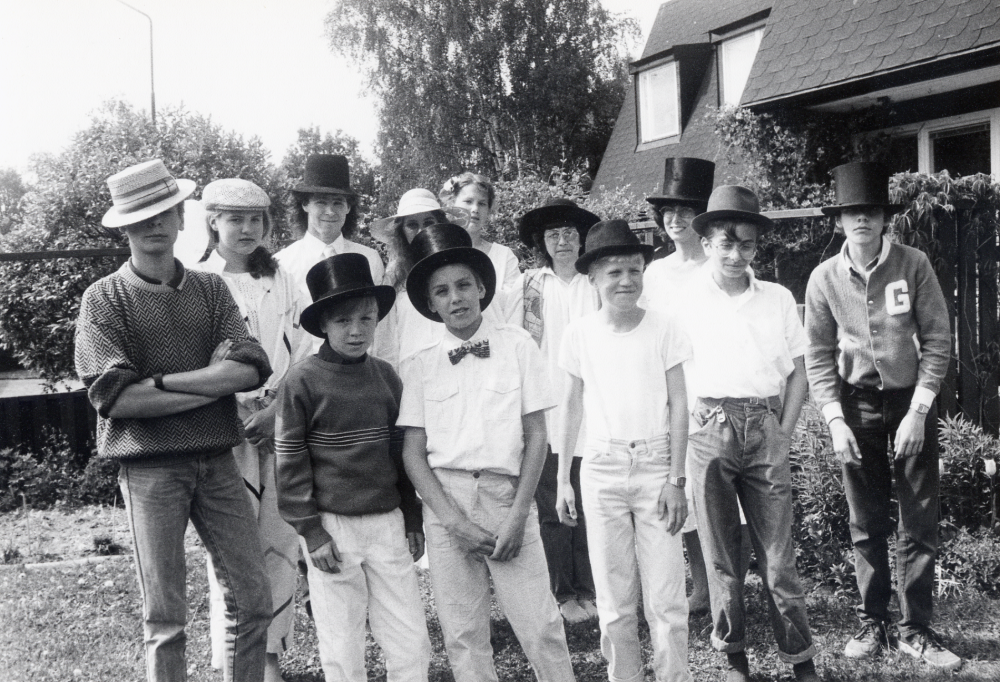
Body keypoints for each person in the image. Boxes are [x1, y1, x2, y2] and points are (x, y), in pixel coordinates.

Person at [74, 159, 274, 682]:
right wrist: (207, 379)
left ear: (181, 218)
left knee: (254, 601)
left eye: (163, 211)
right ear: (124, 226)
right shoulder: (103, 299)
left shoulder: (210, 290)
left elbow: (251, 366)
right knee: (165, 618)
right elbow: (116, 399)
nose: (154, 224)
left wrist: (158, 382)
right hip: (151, 471)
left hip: (218, 462)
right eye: (140, 216)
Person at [397, 223, 575, 682]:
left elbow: (537, 436)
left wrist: (518, 516)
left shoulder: (517, 346)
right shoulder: (419, 365)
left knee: (540, 625)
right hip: (446, 504)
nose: (455, 298)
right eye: (441, 291)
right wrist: (453, 521)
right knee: (463, 633)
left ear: (481, 287)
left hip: (507, 499)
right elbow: (413, 453)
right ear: (431, 303)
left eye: (462, 285)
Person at [805, 162, 959, 670]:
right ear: (840, 221)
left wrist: (919, 410)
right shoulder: (824, 278)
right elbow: (818, 355)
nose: (862, 221)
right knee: (865, 520)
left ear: (883, 217)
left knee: (917, 519)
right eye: (852, 212)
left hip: (908, 403)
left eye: (870, 211)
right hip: (855, 406)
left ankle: (916, 629)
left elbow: (937, 340)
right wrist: (833, 419)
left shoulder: (913, 264)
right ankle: (874, 621)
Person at [679, 186, 820, 682]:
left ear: (757, 248)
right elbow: (669, 367)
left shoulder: (777, 298)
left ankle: (800, 659)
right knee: (722, 561)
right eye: (726, 243)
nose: (737, 254)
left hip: (764, 428)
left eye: (747, 244)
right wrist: (690, 420)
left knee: (779, 560)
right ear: (708, 243)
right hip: (709, 429)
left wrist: (783, 431)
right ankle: (734, 654)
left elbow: (800, 370)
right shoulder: (686, 298)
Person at [275, 253, 430, 682]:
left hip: (387, 522)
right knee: (342, 641)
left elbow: (401, 455)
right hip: (333, 526)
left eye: (366, 318)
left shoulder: (385, 376)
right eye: (343, 321)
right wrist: (312, 531)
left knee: (410, 637)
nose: (357, 330)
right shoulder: (302, 381)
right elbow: (290, 462)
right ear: (323, 323)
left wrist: (411, 514)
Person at [556, 220, 693, 682]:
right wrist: (562, 481)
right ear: (592, 277)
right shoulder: (579, 334)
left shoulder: (664, 328)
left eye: (634, 270)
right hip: (601, 468)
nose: (626, 281)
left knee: (668, 601)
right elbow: (571, 406)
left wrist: (676, 480)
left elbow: (679, 406)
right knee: (614, 602)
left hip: (656, 467)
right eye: (613, 272)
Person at [194, 179, 313, 682]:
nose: (246, 229)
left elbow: (306, 350)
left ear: (267, 225)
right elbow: (192, 358)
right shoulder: (196, 279)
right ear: (213, 223)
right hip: (223, 427)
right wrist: (239, 411)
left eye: (255, 220)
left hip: (279, 422)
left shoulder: (285, 278)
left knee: (279, 541)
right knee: (231, 546)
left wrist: (275, 410)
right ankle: (233, 660)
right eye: (234, 219)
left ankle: (268, 658)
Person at [508, 197, 601, 624]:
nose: (561, 241)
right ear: (542, 243)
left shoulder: (595, 281)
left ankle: (591, 587)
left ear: (581, 239)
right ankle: (563, 591)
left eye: (568, 233)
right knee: (551, 507)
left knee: (588, 503)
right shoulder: (530, 285)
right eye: (552, 235)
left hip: (594, 408)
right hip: (547, 408)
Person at [641, 157, 719, 616]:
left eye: (686, 209)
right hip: (674, 394)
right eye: (668, 210)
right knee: (682, 489)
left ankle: (729, 582)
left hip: (716, 390)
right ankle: (702, 588)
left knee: (723, 497)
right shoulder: (654, 273)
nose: (675, 218)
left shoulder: (719, 265)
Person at [371, 188, 509, 370]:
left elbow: (490, 319)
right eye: (412, 225)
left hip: (468, 365)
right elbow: (386, 341)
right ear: (402, 231)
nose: (422, 230)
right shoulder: (394, 275)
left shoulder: (461, 265)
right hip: (416, 371)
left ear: (440, 223)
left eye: (428, 222)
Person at [275, 154, 385, 303]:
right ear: (305, 204)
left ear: (348, 207)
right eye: (321, 202)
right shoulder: (283, 264)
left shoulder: (370, 259)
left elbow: (380, 322)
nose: (330, 211)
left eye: (338, 203)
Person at [438, 172, 521, 291]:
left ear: (489, 210)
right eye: (468, 201)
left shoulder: (504, 256)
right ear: (452, 203)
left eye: (482, 204)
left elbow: (514, 303)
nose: (475, 209)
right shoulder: (438, 252)